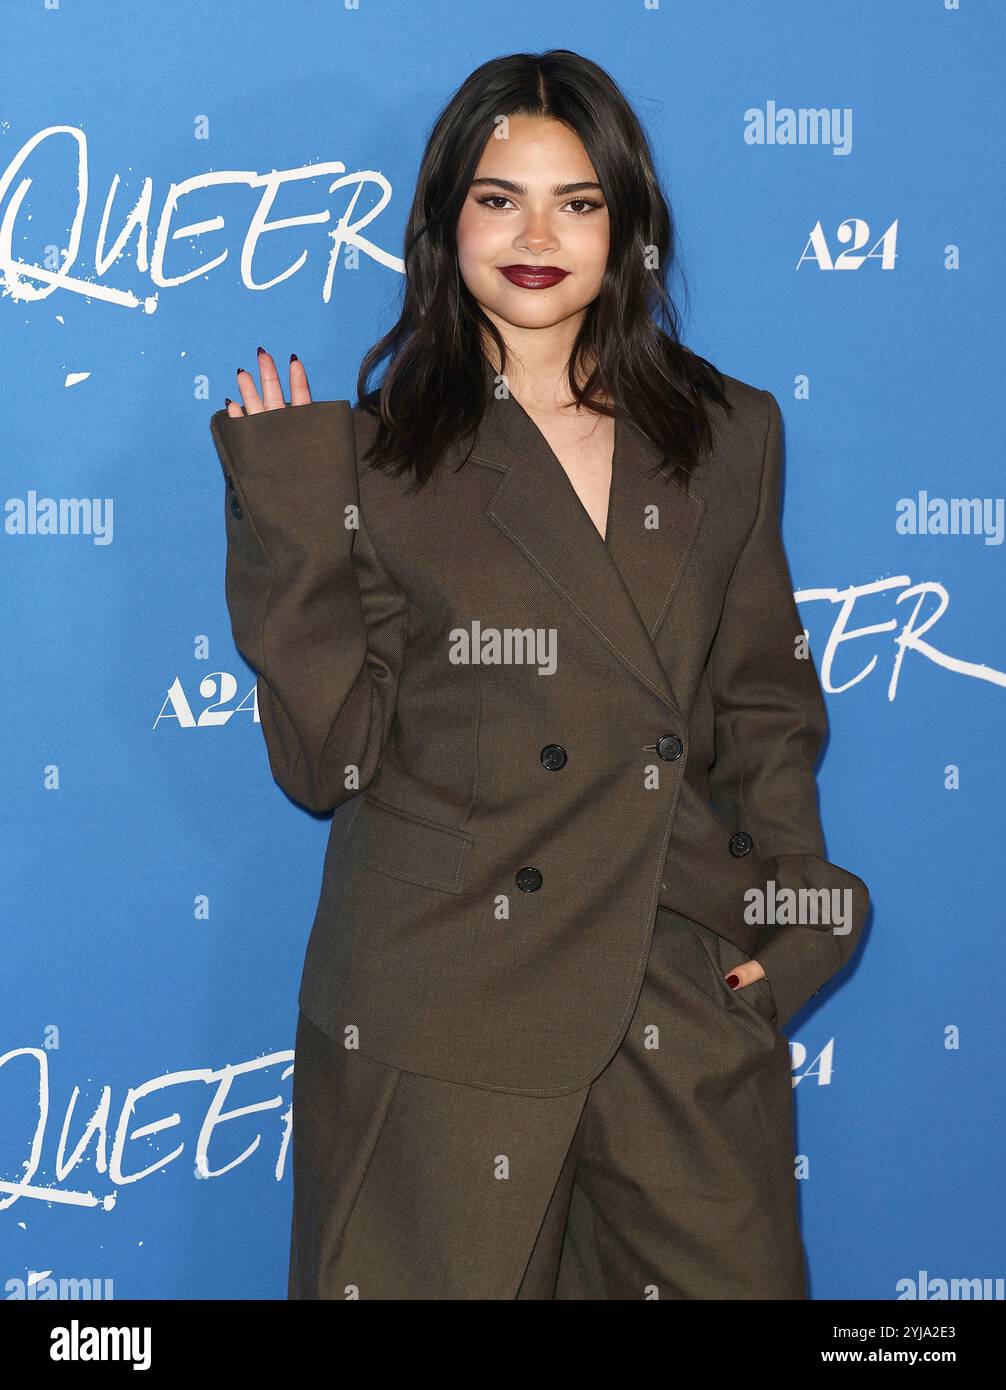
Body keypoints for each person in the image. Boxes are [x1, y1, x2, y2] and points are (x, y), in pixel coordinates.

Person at [209, 50, 870, 1300]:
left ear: (625, 229)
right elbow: (325, 762)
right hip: (440, 1009)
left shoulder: (730, 434)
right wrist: (296, 526)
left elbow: (765, 705)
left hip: (670, 990)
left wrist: (795, 925)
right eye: (497, 196)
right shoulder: (379, 463)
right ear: (442, 220)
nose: (535, 234)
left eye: (576, 201)